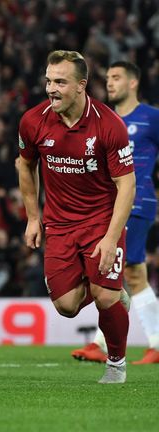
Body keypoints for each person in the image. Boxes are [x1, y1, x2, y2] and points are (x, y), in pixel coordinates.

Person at [17, 50, 135, 384]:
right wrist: (32, 217)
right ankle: (107, 289)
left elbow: (126, 183)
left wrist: (112, 238)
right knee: (66, 305)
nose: (50, 89)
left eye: (60, 82)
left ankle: (116, 364)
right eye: (48, 81)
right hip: (59, 225)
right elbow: (24, 164)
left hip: (101, 221)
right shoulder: (33, 120)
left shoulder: (108, 124)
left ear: (82, 85)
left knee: (105, 297)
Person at [71, 61, 159, 365]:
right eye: (108, 78)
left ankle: (136, 345)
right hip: (105, 206)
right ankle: (108, 344)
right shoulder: (102, 119)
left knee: (125, 272)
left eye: (117, 78)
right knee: (126, 274)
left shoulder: (152, 118)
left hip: (137, 202)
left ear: (133, 83)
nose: (110, 83)